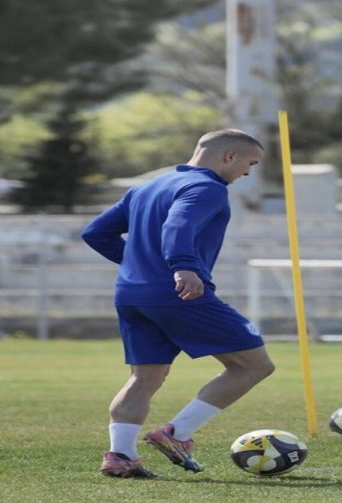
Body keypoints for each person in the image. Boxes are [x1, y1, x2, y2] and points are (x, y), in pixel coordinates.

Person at [82, 129, 276, 478]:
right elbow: (179, 223)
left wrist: (140, 263)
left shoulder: (146, 187)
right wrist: (181, 266)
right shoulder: (208, 187)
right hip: (179, 293)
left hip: (131, 294)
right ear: (229, 156)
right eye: (250, 163)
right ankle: (177, 434)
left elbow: (95, 232)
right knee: (253, 365)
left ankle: (121, 455)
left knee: (144, 378)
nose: (248, 172)